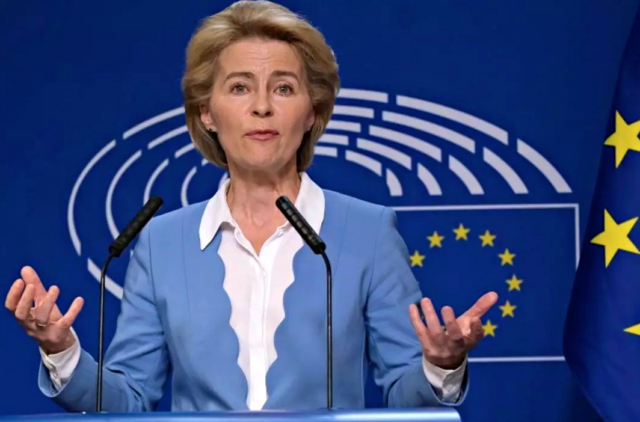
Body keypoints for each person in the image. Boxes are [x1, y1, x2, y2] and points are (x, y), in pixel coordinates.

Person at [4, 0, 497, 412]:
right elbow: (127, 401)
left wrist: (441, 365)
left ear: (312, 112)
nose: (262, 106)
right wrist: (62, 352)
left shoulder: (366, 232)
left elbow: (407, 400)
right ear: (207, 112)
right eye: (239, 87)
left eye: (283, 88)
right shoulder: (161, 244)